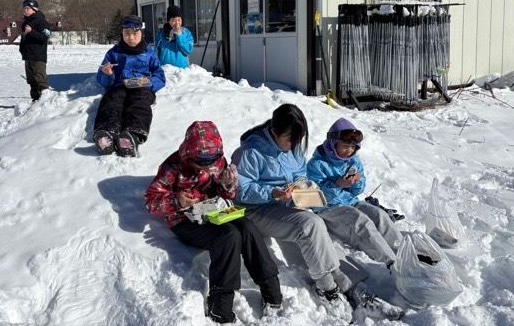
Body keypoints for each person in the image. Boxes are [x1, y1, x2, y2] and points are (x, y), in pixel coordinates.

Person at [233, 104, 404, 321]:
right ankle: (326, 287)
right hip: (258, 209)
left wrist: (304, 187)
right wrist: (272, 193)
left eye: (297, 141)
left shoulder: (293, 145)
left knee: (321, 233)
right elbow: (239, 190)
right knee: (310, 225)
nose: (293, 146)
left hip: (287, 203)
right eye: (289, 140)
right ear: (275, 131)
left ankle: (353, 287)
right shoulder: (251, 151)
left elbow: (299, 173)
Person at [145, 121, 282, 324]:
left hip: (215, 212)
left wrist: (228, 185)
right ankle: (220, 306)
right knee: (229, 236)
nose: (209, 164)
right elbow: (151, 201)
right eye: (202, 161)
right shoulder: (173, 166)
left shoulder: (218, 161)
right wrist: (176, 201)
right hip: (185, 220)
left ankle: (272, 293)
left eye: (213, 159)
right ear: (190, 154)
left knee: (247, 228)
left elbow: (226, 193)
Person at [307, 118, 403, 268]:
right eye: (345, 146)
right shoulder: (316, 164)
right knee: (361, 222)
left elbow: (358, 190)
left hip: (351, 202)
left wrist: (357, 182)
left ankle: (404, 253)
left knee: (380, 216)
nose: (349, 151)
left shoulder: (353, 161)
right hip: (328, 210)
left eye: (353, 147)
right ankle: (392, 263)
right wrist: (337, 184)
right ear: (333, 144)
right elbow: (314, 196)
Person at [93, 15, 165, 157]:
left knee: (139, 104)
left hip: (141, 86)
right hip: (119, 86)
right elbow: (101, 78)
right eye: (127, 33)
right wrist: (107, 74)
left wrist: (149, 83)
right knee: (111, 102)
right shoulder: (114, 53)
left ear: (141, 34)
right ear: (122, 33)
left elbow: (160, 75)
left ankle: (133, 135)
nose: (130, 38)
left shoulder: (149, 53)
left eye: (135, 34)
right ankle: (107, 133)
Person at [19, 0, 51, 101]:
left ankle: (45, 103)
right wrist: (22, 50)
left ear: (34, 9)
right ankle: (35, 104)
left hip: (38, 57)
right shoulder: (26, 23)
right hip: (28, 56)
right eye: (24, 8)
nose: (25, 10)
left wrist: (32, 31)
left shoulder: (42, 21)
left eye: (27, 8)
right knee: (32, 82)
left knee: (40, 81)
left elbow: (45, 37)